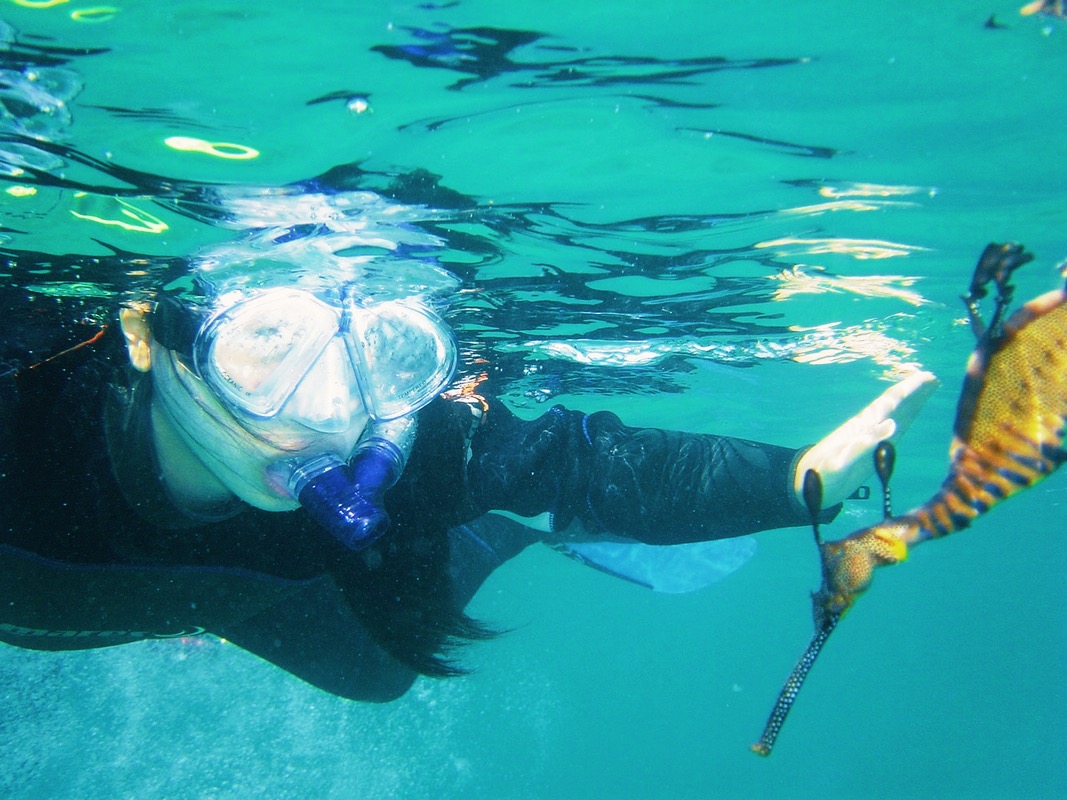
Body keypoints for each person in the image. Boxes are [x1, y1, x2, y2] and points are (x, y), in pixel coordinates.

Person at [0, 275, 935, 702]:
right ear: (142, 326)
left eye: (381, 358)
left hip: (257, 596)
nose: (331, 412)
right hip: (45, 577)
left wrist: (794, 480)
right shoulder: (22, 393)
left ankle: (504, 529)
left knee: (376, 673)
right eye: (269, 344)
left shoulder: (416, 449)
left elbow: (593, 463)